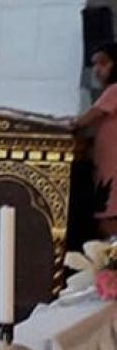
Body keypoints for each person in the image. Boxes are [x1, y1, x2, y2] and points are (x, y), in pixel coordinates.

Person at [72, 41, 117, 238]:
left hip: (112, 168)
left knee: (109, 222)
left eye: (103, 63)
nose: (97, 70)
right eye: (95, 65)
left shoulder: (114, 90)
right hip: (107, 165)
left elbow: (83, 122)